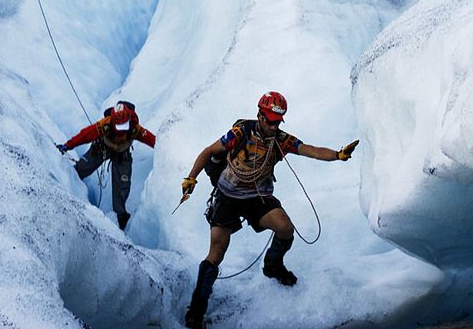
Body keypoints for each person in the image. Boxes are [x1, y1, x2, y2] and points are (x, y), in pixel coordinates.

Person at [181, 91, 359, 328]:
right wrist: (191, 178)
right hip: (228, 196)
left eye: (278, 121)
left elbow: (310, 149)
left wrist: (336, 155)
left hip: (258, 196)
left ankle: (272, 266)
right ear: (260, 116)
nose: (275, 126)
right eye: (271, 121)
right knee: (217, 251)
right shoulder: (241, 132)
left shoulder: (281, 140)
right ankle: (197, 308)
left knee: (285, 228)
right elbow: (208, 152)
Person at [56, 101, 155, 230]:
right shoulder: (105, 125)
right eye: (120, 126)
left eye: (124, 125)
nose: (122, 129)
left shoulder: (134, 128)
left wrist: (165, 150)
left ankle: (120, 216)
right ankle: (67, 180)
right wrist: (67, 145)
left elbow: (151, 139)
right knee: (83, 168)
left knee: (122, 185)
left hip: (122, 154)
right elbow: (85, 135)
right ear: (113, 122)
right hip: (103, 147)